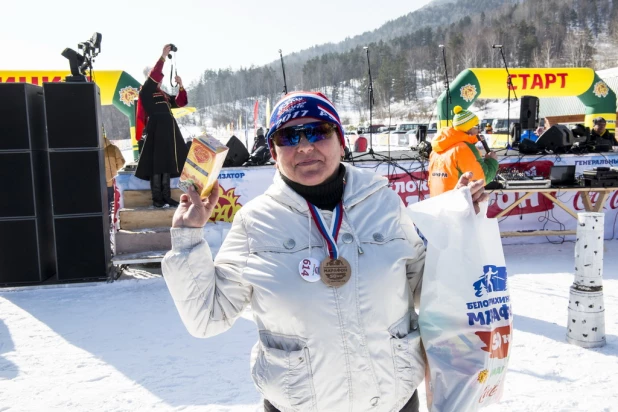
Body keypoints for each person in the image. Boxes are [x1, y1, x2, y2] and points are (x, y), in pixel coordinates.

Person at [162, 92, 488, 412]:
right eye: (288, 136)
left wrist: (455, 227)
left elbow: (429, 291)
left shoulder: (383, 203)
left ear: (341, 141)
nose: (304, 146)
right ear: (274, 153)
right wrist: (188, 238)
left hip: (393, 404)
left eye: (319, 131)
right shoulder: (255, 222)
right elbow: (207, 318)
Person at [134, 44, 189, 208]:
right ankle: (157, 198)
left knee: (167, 163)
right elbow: (155, 73)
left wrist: (181, 86)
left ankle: (166, 196)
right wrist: (164, 55)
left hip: (168, 130)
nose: (161, 79)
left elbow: (181, 102)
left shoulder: (163, 94)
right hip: (156, 129)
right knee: (157, 165)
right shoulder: (146, 91)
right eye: (158, 78)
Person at [428, 105, 499, 197]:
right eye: (477, 126)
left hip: (436, 202)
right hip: (456, 205)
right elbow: (481, 179)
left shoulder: (436, 150)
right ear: (469, 128)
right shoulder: (463, 148)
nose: (479, 130)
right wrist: (492, 161)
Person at [103, 134, 126, 212]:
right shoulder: (114, 149)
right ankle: (110, 222)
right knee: (112, 202)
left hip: (99, 184)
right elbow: (121, 162)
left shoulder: (93, 149)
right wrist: (113, 170)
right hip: (111, 181)